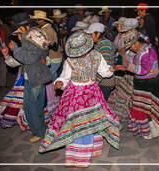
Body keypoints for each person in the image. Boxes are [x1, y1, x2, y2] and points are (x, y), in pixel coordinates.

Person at [38, 32, 120, 167]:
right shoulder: (70, 61)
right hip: (75, 95)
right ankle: (80, 155)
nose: (79, 54)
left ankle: (85, 153)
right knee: (78, 123)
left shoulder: (96, 56)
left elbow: (105, 72)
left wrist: (113, 68)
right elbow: (64, 78)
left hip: (92, 93)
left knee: (92, 121)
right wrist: (59, 83)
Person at [114, 29, 159, 139]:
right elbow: (133, 64)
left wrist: (127, 67)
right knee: (138, 107)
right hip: (142, 82)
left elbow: (144, 70)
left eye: (130, 46)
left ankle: (156, 129)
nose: (130, 49)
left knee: (153, 107)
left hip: (151, 83)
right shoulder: (139, 50)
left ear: (136, 43)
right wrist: (125, 62)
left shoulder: (148, 52)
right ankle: (144, 129)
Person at [8, 27, 52, 142]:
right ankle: (42, 129)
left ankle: (38, 132)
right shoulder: (39, 37)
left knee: (31, 108)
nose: (18, 37)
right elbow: (42, 57)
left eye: (19, 34)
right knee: (37, 107)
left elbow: (28, 58)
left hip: (34, 80)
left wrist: (15, 49)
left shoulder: (30, 41)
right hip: (39, 78)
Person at [85, 23, 117, 100]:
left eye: (91, 34)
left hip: (104, 82)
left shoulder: (104, 45)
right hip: (101, 81)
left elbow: (106, 67)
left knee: (100, 106)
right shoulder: (100, 44)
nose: (89, 37)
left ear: (98, 33)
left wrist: (94, 82)